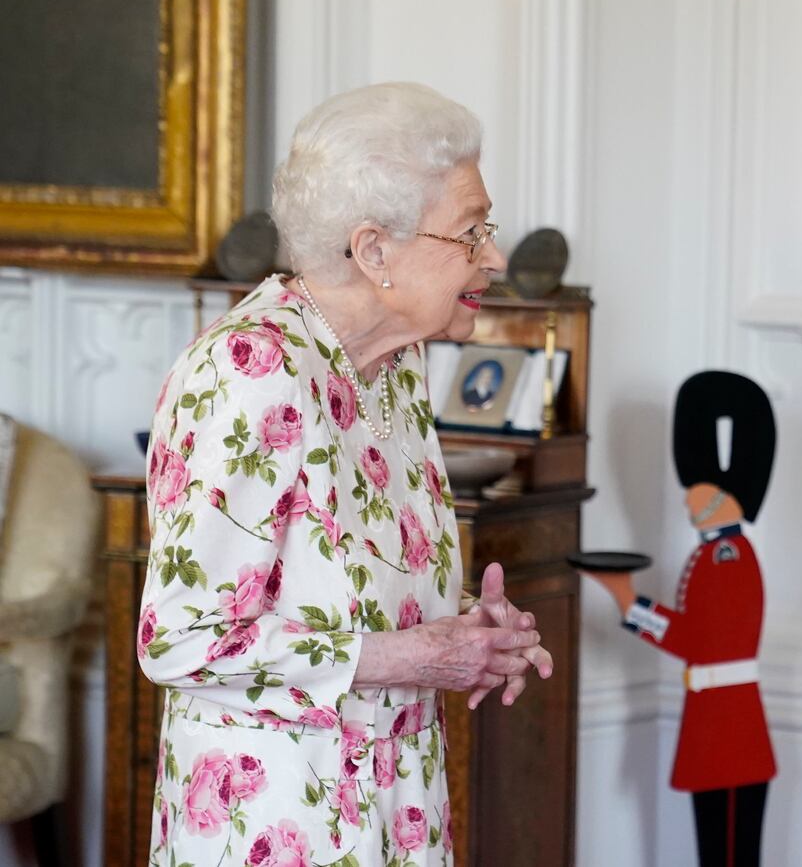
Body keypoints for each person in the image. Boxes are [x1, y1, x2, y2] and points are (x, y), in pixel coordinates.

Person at [138, 82, 553, 865]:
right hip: (278, 820)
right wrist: (412, 657)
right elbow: (181, 637)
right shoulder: (250, 370)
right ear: (373, 251)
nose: (494, 256)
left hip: (394, 810)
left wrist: (468, 630)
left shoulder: (395, 365)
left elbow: (339, 580)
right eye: (471, 232)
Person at [580, 371, 778, 866]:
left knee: (728, 852)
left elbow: (700, 639)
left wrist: (631, 604)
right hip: (715, 720)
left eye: (699, 490)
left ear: (725, 500)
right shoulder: (714, 553)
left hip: (729, 726)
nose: (688, 499)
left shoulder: (729, 556)